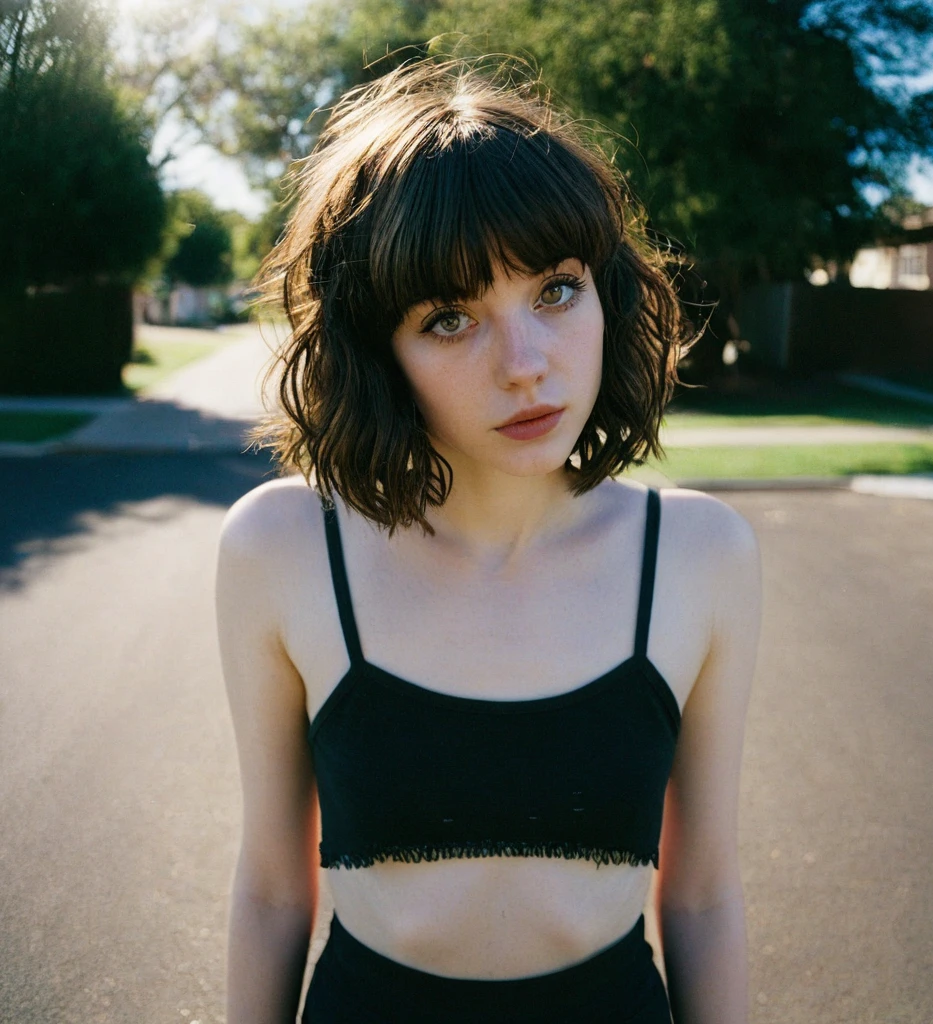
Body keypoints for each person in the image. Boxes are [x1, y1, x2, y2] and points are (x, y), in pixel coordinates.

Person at [215, 57, 761, 1024]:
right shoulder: (286, 547)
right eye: (451, 317)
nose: (525, 366)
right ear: (377, 351)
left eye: (556, 289)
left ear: (608, 295)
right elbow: (270, 888)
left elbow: (704, 893)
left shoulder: (700, 555)